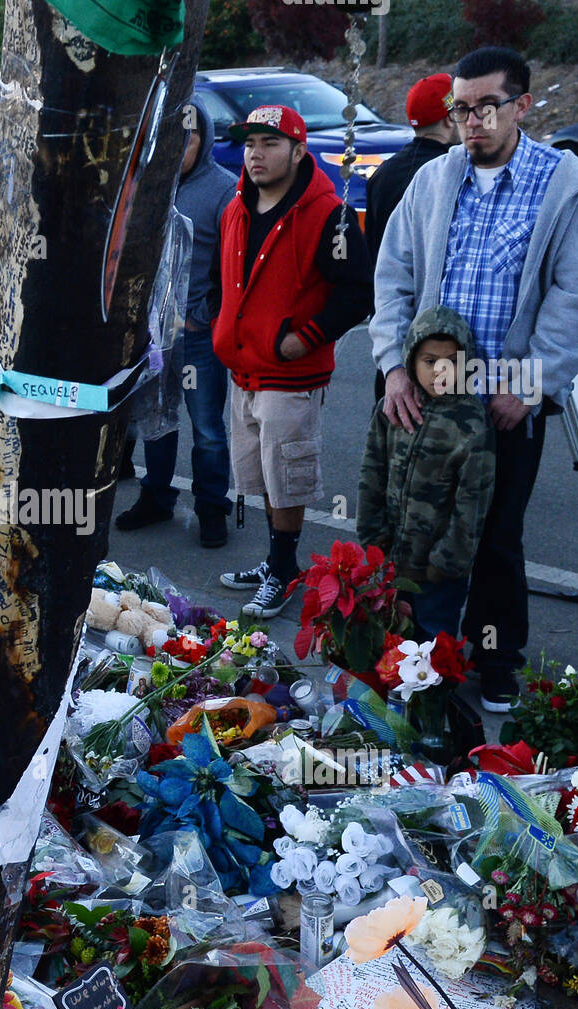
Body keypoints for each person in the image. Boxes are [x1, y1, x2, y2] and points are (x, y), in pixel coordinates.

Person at [371, 46, 578, 712]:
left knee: (497, 537)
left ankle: (497, 659)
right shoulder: (434, 180)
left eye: (485, 107)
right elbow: (393, 276)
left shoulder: (563, 185)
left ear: (522, 105)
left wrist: (532, 381)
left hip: (505, 403)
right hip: (431, 400)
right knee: (425, 532)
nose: (471, 121)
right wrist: (393, 366)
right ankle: (425, 659)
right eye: (461, 108)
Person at [212, 107, 373, 618]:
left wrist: (304, 338)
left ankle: (283, 570)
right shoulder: (236, 206)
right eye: (250, 143)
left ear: (299, 151)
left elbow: (356, 293)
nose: (255, 153)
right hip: (242, 367)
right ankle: (276, 562)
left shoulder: (332, 214)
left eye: (269, 143)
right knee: (260, 473)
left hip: (290, 374)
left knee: (287, 475)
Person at [116, 94, 237, 548]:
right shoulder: (150, 186)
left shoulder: (225, 190)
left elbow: (233, 266)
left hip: (199, 334)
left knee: (206, 426)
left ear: (204, 141)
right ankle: (156, 497)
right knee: (155, 420)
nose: (179, 149)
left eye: (188, 141)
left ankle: (211, 507)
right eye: (171, 141)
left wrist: (209, 316)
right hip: (152, 334)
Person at [357, 306, 495, 639]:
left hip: (438, 574)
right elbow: (371, 474)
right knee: (387, 639)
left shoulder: (472, 424)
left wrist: (444, 563)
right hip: (389, 561)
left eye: (451, 361)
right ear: (410, 360)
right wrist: (372, 536)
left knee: (434, 646)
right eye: (430, 361)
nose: (441, 371)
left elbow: (472, 504)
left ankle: (435, 692)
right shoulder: (393, 409)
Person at [364, 73, 458, 402]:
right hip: (439, 335)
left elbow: (374, 256)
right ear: (451, 117)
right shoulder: (450, 174)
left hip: (391, 331)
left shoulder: (383, 174)